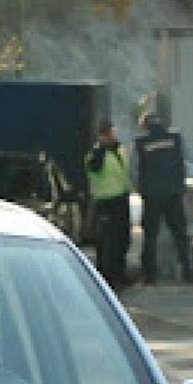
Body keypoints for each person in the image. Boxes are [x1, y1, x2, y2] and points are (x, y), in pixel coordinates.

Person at [133, 111, 192, 284]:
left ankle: (149, 276)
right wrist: (186, 186)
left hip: (151, 196)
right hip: (174, 193)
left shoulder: (140, 143)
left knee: (150, 236)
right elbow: (188, 163)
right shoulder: (177, 139)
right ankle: (187, 272)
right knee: (180, 235)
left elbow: (134, 170)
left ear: (146, 126)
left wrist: (141, 189)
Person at [85, 119, 131, 291]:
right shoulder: (96, 154)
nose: (111, 136)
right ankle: (106, 275)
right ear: (101, 136)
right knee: (107, 242)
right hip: (105, 201)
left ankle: (119, 273)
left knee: (123, 239)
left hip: (121, 199)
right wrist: (102, 149)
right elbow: (94, 169)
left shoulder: (120, 150)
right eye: (107, 133)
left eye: (112, 132)